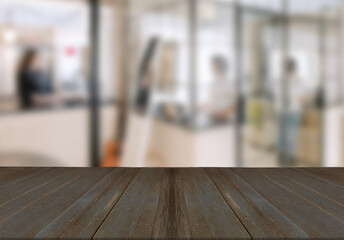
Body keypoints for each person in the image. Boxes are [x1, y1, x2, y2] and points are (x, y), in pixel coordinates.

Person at [277, 58, 308, 164]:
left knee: (282, 135)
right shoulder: (297, 80)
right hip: (291, 111)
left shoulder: (281, 80)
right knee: (291, 136)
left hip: (282, 111)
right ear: (294, 68)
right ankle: (290, 159)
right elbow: (302, 98)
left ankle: (282, 158)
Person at [204, 56, 237, 122]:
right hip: (212, 116)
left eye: (213, 66)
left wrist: (223, 113)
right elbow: (213, 101)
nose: (211, 68)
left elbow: (237, 104)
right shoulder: (214, 82)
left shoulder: (228, 83)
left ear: (220, 67)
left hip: (223, 119)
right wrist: (202, 106)